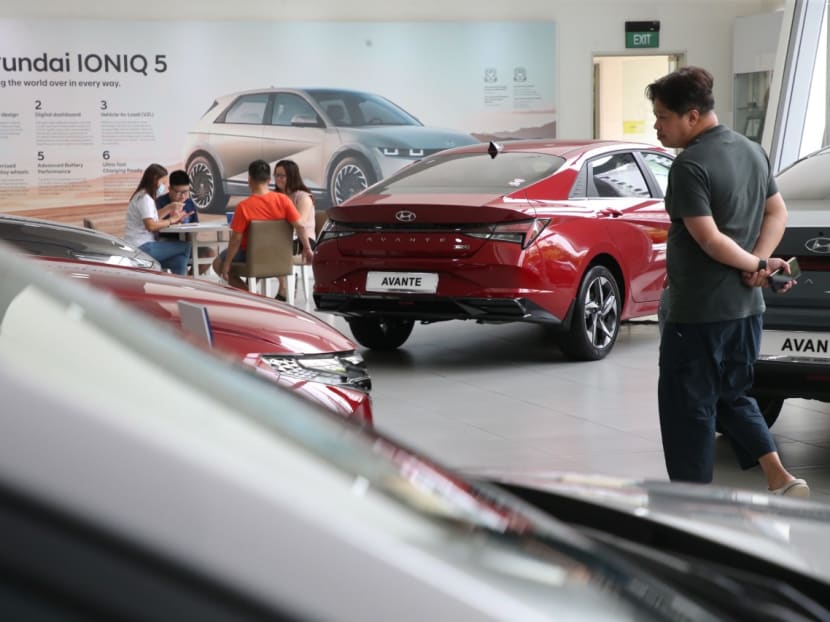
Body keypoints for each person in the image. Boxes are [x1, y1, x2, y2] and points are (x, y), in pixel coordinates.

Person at [646, 66, 808, 497]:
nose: (657, 126)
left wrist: (754, 261)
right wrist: (758, 264)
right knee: (732, 396)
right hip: (746, 310)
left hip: (698, 313)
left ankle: (691, 507)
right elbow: (778, 214)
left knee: (688, 412)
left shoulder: (690, 166)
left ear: (692, 116)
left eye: (663, 116)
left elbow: (709, 238)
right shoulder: (752, 150)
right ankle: (779, 476)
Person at [214, 159, 313, 291]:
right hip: (279, 253)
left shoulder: (243, 207)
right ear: (269, 180)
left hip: (251, 254)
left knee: (217, 264)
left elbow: (235, 240)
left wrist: (226, 264)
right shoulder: (284, 200)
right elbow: (300, 225)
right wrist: (307, 248)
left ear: (249, 179)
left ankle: (250, 296)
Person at [124, 163, 191, 275]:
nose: (164, 186)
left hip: (140, 245)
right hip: (142, 246)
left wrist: (169, 208)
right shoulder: (145, 198)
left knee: (178, 260)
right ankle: (180, 283)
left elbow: (153, 217)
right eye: (163, 182)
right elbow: (151, 225)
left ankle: (178, 283)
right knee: (185, 247)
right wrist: (171, 220)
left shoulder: (143, 195)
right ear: (155, 180)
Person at [157, 169, 216, 274]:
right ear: (170, 189)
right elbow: (154, 227)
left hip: (187, 244)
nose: (183, 196)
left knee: (209, 253)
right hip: (166, 245)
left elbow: (195, 228)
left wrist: (187, 230)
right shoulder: (161, 203)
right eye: (179, 192)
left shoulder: (189, 204)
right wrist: (172, 220)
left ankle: (189, 278)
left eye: (186, 192)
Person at [273, 159, 316, 300]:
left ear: (291, 176)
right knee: (260, 247)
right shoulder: (275, 196)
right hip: (282, 238)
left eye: (282, 176)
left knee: (273, 249)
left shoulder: (303, 197)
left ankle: (283, 289)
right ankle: (251, 289)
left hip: (305, 240)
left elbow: (300, 223)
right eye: (276, 175)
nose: (278, 179)